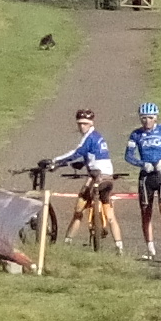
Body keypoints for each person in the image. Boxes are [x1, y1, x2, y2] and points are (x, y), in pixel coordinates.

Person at [48, 108, 125, 252]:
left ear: (91, 124)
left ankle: (67, 243)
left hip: (97, 177)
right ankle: (119, 247)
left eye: (85, 124)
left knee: (79, 210)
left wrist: (55, 161)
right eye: (80, 124)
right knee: (110, 215)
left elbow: (76, 153)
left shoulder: (90, 137)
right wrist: (82, 163)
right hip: (108, 178)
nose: (82, 126)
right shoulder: (99, 137)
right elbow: (94, 156)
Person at [123, 102, 161, 261]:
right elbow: (128, 156)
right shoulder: (136, 134)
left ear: (156, 117)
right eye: (144, 118)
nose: (147, 121)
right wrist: (142, 164)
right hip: (146, 175)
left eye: (150, 118)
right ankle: (150, 249)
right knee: (146, 211)